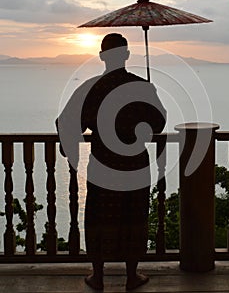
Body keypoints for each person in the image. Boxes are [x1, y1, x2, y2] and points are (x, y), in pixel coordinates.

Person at [56, 33, 166, 290]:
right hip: (135, 163)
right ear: (127, 55)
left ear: (102, 56)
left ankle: (98, 275)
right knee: (135, 214)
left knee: (98, 216)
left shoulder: (91, 88)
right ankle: (131, 275)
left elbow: (67, 122)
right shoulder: (141, 87)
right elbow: (158, 123)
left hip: (103, 163)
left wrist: (70, 149)